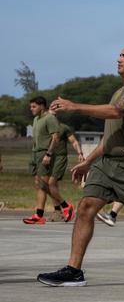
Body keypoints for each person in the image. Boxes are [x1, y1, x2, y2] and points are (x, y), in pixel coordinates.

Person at [38, 46, 124, 286]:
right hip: (107, 164)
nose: (118, 59)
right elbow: (111, 134)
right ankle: (74, 271)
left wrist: (74, 106)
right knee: (86, 207)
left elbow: (115, 113)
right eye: (120, 55)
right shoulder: (119, 91)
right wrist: (88, 161)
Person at [25, 96, 74, 225]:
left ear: (42, 106)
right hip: (35, 153)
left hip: (44, 153)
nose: (31, 109)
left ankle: (65, 206)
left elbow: (55, 138)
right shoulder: (36, 119)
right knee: (38, 184)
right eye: (31, 107)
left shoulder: (49, 119)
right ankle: (39, 215)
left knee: (44, 185)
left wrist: (48, 154)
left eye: (34, 106)